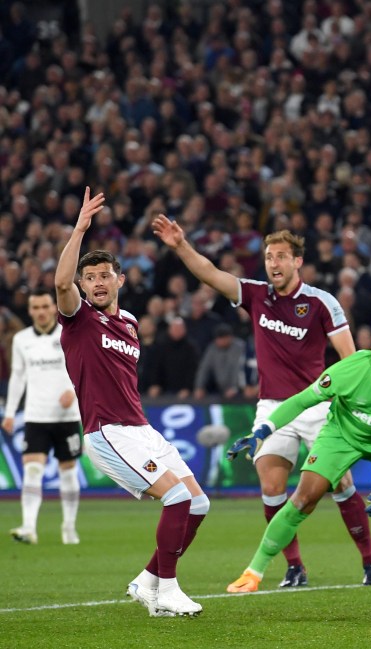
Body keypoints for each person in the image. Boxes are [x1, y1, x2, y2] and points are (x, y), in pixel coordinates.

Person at [151, 215, 371, 587]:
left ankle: (370, 563)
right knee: (273, 488)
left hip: (318, 406)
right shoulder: (257, 295)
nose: (273, 263)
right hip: (273, 408)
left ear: (297, 261)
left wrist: (352, 401)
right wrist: (180, 245)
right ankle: (294, 567)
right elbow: (210, 274)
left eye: (280, 256)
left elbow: (350, 358)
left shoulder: (322, 303)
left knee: (340, 483)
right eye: (268, 257)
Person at [224, 321, 371, 593]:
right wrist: (262, 431)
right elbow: (301, 400)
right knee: (303, 500)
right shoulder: (347, 371)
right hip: (341, 436)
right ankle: (252, 574)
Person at [55, 189, 208, 617]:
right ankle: (169, 589)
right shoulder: (79, 320)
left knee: (198, 503)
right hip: (108, 430)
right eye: (91, 278)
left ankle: (148, 580)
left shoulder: (131, 323)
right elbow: (60, 283)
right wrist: (80, 229)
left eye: (105, 275)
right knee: (176, 499)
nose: (98, 282)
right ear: (83, 287)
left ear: (120, 280)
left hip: (142, 429)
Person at [3, 288, 82, 545]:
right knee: (33, 470)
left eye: (45, 307)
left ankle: (69, 527)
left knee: (68, 472)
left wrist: (73, 391)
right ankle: (28, 527)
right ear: (30, 311)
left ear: (53, 307)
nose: (40, 312)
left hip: (67, 416)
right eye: (35, 308)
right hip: (36, 415)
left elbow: (84, 367)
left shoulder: (67, 334)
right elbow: (17, 377)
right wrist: (11, 413)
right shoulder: (22, 339)